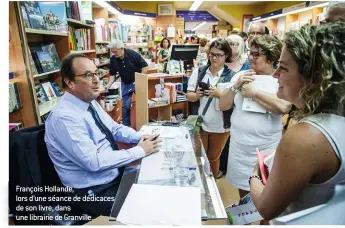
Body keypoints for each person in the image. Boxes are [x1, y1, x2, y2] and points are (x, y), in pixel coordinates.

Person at [250, 22, 345, 220]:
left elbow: (268, 209)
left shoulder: (305, 136)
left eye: (283, 68)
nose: (275, 74)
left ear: (313, 77)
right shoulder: (335, 121)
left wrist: (254, 175)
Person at [44, 53, 160, 217]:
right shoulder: (64, 118)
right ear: (69, 82)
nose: (97, 80)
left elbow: (114, 128)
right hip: (91, 193)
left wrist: (140, 137)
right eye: (88, 75)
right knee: (150, 209)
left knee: (155, 185)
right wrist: (140, 150)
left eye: (96, 73)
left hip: (112, 177)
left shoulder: (89, 102)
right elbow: (93, 162)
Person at [219, 35, 291, 198]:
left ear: (271, 57)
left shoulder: (280, 78)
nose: (251, 57)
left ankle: (264, 223)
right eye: (250, 52)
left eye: (257, 54)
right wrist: (235, 86)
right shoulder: (241, 75)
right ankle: (244, 221)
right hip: (240, 146)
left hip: (266, 147)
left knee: (267, 189)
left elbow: (283, 106)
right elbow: (223, 105)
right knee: (243, 191)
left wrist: (254, 93)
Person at [187, 39, 233, 178]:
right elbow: (189, 96)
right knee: (199, 156)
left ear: (226, 55)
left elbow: (232, 103)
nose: (214, 58)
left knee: (213, 157)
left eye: (218, 55)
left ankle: (212, 189)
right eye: (212, 54)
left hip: (221, 125)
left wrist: (219, 95)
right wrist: (197, 95)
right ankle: (199, 184)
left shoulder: (232, 76)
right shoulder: (200, 72)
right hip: (200, 122)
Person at [217, 34, 252, 179]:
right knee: (222, 139)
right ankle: (221, 166)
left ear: (241, 45)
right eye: (229, 43)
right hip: (221, 107)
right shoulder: (221, 64)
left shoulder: (247, 64)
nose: (232, 47)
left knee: (235, 138)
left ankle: (229, 166)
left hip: (242, 108)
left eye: (235, 44)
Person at [107, 39, 148, 127]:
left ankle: (144, 124)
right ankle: (126, 127)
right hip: (126, 83)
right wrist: (107, 86)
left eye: (115, 52)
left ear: (122, 48)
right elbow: (112, 75)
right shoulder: (113, 59)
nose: (114, 54)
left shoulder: (132, 54)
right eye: (112, 52)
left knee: (142, 104)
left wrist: (139, 80)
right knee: (125, 106)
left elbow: (145, 66)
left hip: (138, 81)